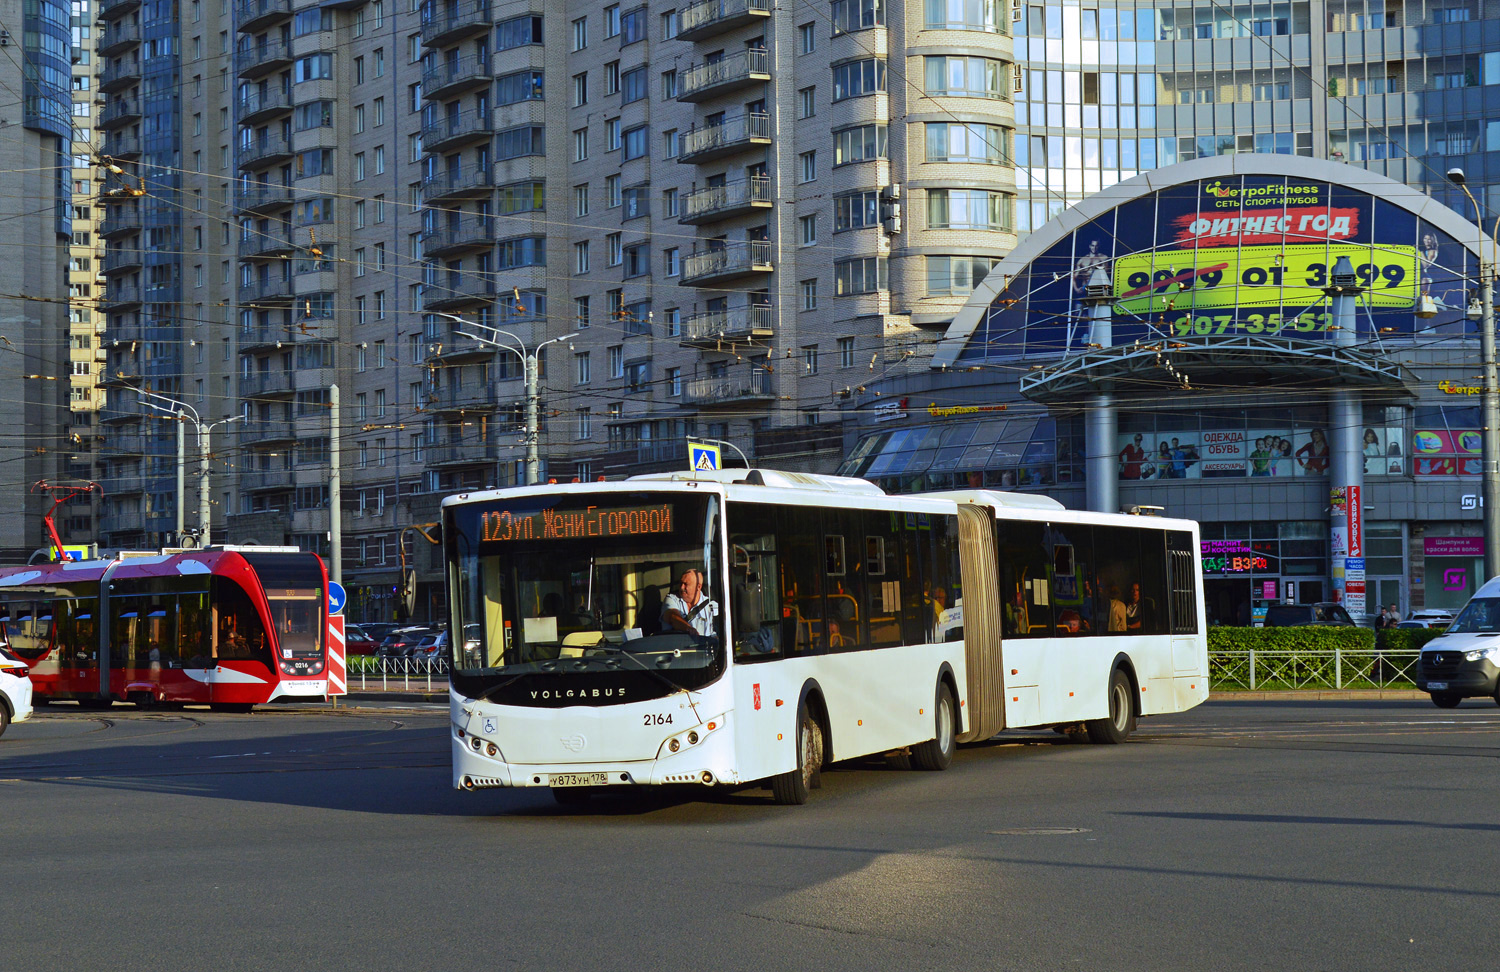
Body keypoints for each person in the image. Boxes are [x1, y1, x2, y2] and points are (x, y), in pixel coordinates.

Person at [661, 568, 719, 636]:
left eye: (685, 584)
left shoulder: (711, 606)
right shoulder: (671, 599)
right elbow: (672, 617)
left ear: (698, 587)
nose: (682, 587)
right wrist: (688, 629)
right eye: (681, 583)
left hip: (702, 646)